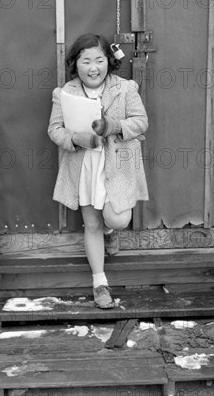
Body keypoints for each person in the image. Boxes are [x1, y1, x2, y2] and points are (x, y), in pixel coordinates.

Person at [48, 34, 148, 309]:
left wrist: (112, 125)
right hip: (85, 165)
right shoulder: (64, 92)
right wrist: (76, 139)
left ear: (108, 62)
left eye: (99, 60)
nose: (93, 67)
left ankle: (110, 232)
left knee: (116, 219)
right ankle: (100, 283)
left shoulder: (126, 88)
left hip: (117, 165)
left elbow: (141, 122)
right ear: (75, 64)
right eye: (86, 61)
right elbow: (55, 130)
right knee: (91, 224)